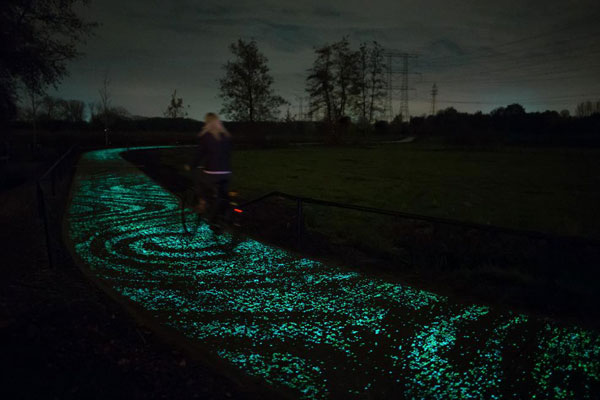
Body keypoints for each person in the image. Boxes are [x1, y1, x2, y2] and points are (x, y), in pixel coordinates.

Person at [186, 112, 232, 231]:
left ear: (207, 123)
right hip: (226, 172)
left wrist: (191, 165)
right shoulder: (226, 136)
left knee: (198, 177)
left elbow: (199, 154)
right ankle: (221, 217)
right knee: (222, 194)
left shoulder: (206, 136)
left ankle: (203, 201)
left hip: (212, 173)